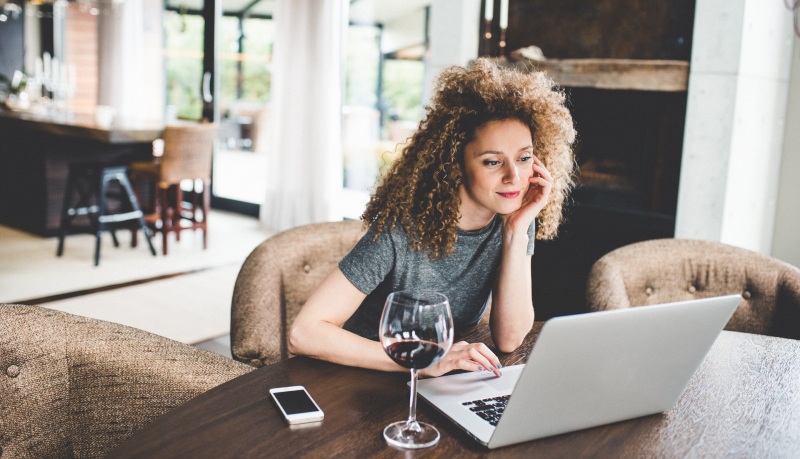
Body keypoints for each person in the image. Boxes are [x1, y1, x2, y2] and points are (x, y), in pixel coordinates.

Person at [288, 58, 576, 378]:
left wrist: (516, 231)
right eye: (493, 162)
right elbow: (304, 333)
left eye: (524, 158)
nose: (514, 177)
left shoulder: (514, 218)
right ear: (456, 164)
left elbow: (510, 338)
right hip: (366, 376)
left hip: (439, 376)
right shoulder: (399, 232)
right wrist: (426, 362)